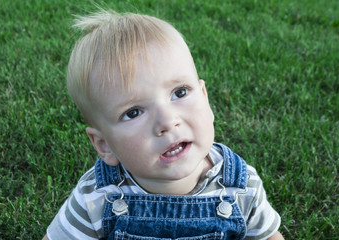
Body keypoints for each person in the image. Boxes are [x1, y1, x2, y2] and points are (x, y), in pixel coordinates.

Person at [43, 9, 284, 240]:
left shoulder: (241, 187)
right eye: (133, 112)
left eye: (180, 92)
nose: (168, 122)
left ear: (205, 97)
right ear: (104, 144)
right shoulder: (96, 195)